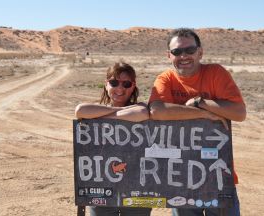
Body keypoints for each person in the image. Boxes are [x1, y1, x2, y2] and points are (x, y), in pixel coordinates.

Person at [149, 28, 246, 216]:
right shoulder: (166, 79)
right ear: (168, 55)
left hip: (217, 172)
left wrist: (201, 102)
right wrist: (204, 114)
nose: (183, 56)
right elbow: (156, 111)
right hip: (178, 175)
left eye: (190, 50)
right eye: (177, 52)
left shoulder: (216, 73)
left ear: (200, 52)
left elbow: (239, 113)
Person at [75, 61, 151, 216]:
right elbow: (80, 110)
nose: (120, 88)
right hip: (101, 189)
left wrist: (107, 114)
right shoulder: (95, 108)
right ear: (106, 84)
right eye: (114, 82)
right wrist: (119, 112)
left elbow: (143, 113)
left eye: (126, 84)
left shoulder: (140, 107)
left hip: (136, 189)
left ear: (133, 86)